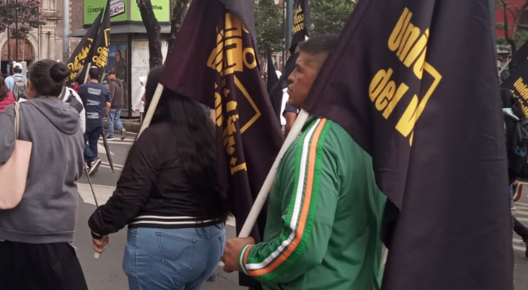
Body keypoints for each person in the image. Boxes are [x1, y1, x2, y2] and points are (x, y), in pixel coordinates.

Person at [221, 35, 387, 289]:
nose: (290, 77)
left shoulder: (315, 145)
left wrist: (245, 257)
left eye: (299, 69)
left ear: (327, 79)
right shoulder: (370, 138)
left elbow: (301, 246)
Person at [90, 65, 228, 290]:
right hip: (211, 239)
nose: (143, 98)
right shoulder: (211, 135)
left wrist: (99, 225)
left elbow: (129, 196)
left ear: (160, 97)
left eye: (148, 92)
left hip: (164, 244)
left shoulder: (153, 139)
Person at [0, 59, 87, 290]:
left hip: (14, 225)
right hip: (59, 225)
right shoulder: (74, 120)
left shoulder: (16, 113)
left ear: (30, 85)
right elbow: (77, 169)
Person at [502, 88, 528, 258]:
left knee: (493, 211)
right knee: (496, 211)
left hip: (500, 175)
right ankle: (527, 235)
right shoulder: (517, 119)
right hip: (510, 175)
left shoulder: (502, 121)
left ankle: (527, 234)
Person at [79, 67, 110, 175]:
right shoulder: (105, 89)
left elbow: (78, 102)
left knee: (80, 141)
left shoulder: (83, 87)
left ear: (89, 75)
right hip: (98, 120)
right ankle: (91, 165)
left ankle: (93, 159)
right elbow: (108, 105)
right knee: (93, 142)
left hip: (86, 120)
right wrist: (103, 114)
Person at [107, 70, 126, 140]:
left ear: (114, 75)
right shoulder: (120, 83)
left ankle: (111, 134)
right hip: (119, 104)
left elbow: (111, 95)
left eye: (110, 75)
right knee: (117, 118)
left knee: (111, 120)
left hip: (113, 105)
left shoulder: (112, 84)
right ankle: (122, 129)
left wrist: (109, 103)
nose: (108, 76)